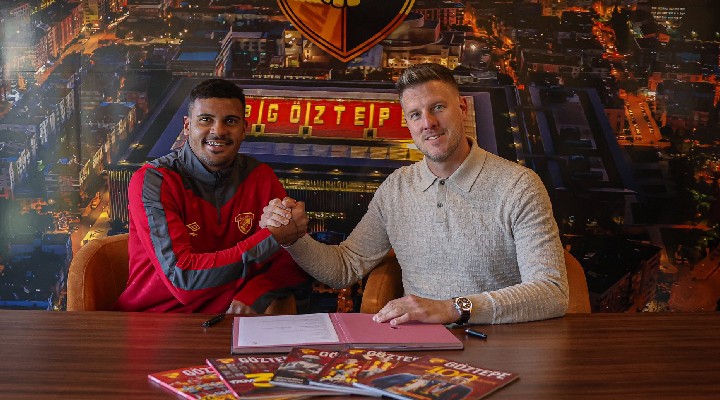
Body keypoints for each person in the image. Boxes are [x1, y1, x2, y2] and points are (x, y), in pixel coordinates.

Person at [262, 63, 568, 325]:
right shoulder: (397, 188)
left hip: (502, 347)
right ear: (407, 123)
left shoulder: (519, 185)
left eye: (438, 108)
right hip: (423, 352)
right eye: (415, 114)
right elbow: (345, 267)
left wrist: (453, 309)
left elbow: (551, 292)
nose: (428, 123)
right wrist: (293, 239)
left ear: (462, 109)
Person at [114, 78, 309, 313]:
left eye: (230, 121)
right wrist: (273, 237)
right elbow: (183, 279)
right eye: (206, 119)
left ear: (244, 129)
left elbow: (290, 260)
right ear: (187, 126)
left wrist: (256, 292)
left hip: (231, 319)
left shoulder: (260, 177)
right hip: (156, 319)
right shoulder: (154, 181)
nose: (218, 131)